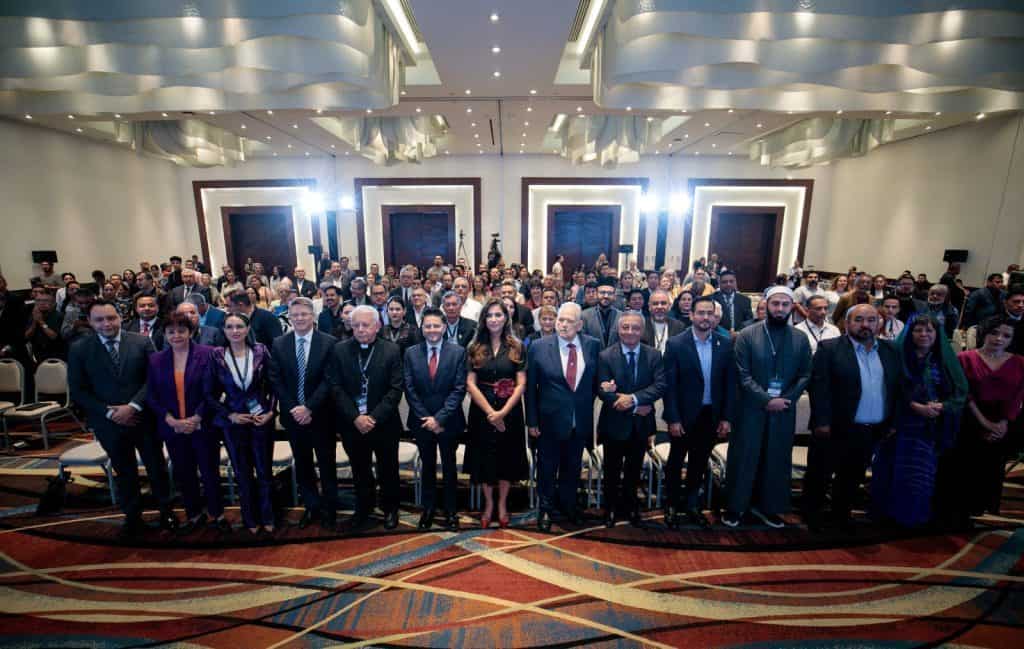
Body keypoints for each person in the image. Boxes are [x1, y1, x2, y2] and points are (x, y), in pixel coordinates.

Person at [67, 300, 174, 538]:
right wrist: (110, 412)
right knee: (124, 470)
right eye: (100, 320)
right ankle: (133, 516)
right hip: (108, 422)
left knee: (156, 468)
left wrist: (133, 406)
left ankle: (166, 512)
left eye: (111, 318)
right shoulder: (79, 348)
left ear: (120, 317)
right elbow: (78, 390)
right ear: (90, 322)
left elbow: (155, 378)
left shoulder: (141, 341)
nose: (107, 324)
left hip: (143, 418)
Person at [804, 305, 902, 533]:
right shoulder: (829, 348)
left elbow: (896, 389)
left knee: (852, 476)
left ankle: (841, 515)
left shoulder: (891, 350)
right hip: (833, 427)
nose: (865, 324)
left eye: (871, 319)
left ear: (879, 323)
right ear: (847, 324)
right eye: (859, 319)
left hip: (870, 428)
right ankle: (813, 517)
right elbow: (819, 388)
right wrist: (821, 421)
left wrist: (891, 423)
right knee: (820, 474)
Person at [724, 286, 812, 528]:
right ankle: (736, 507)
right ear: (765, 305)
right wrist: (766, 400)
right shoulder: (747, 335)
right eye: (775, 304)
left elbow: (805, 375)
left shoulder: (800, 338)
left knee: (776, 459)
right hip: (751, 409)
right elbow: (742, 374)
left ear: (791, 307)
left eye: (785, 304)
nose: (780, 309)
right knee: (744, 458)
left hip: (783, 410)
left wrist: (786, 399)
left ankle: (770, 508)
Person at [872, 314, 967, 528]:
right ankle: (884, 516)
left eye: (929, 331)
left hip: (929, 429)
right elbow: (887, 388)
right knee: (890, 471)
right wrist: (914, 405)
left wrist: (942, 406)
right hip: (898, 425)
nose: (924, 334)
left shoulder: (944, 359)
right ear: (910, 333)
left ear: (937, 334)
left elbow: (960, 393)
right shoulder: (898, 357)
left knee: (918, 475)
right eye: (918, 330)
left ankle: (910, 518)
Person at [940, 316, 1024, 528]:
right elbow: (963, 394)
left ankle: (979, 507)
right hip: (969, 420)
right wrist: (984, 422)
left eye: (1006, 336)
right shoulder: (965, 358)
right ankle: (957, 510)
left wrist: (1004, 422)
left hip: (1003, 422)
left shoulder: (1019, 362)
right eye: (994, 333)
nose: (999, 339)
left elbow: (1019, 395)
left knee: (991, 468)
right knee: (964, 467)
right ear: (985, 333)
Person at [145, 312, 226, 533]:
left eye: (182, 330)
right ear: (165, 334)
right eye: (171, 332)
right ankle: (194, 514)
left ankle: (216, 515)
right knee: (184, 472)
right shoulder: (156, 360)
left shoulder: (209, 354)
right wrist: (170, 419)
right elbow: (151, 395)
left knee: (210, 472)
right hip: (173, 427)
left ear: (191, 332)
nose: (176, 335)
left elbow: (215, 390)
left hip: (203, 424)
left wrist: (197, 417)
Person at [327, 305, 405, 530]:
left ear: (377, 326)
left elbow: (395, 389)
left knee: (388, 469)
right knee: (360, 469)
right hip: (352, 424)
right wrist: (355, 417)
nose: (360, 329)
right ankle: (364, 508)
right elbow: (335, 387)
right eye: (356, 325)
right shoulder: (340, 350)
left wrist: (373, 417)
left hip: (384, 424)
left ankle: (390, 509)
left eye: (366, 325)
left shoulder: (391, 350)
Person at [525, 302, 601, 531]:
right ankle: (545, 509)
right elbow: (530, 389)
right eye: (560, 319)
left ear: (579, 324)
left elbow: (596, 382)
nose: (563, 324)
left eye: (569, 321)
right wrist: (532, 421)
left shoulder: (592, 346)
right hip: (548, 421)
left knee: (572, 467)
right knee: (547, 467)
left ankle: (568, 507)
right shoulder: (538, 347)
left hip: (579, 420)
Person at [662, 296, 735, 528]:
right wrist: (672, 418)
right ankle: (671, 505)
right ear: (691, 315)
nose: (705, 317)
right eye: (700, 313)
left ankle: (693, 505)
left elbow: (729, 385)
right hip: (683, 417)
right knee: (676, 463)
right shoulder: (675, 344)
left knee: (699, 462)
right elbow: (669, 385)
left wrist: (726, 417)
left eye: (709, 313)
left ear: (715, 316)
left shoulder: (725, 344)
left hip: (710, 416)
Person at [268, 298, 338, 530]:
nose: (299, 318)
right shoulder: (279, 344)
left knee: (327, 464)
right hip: (293, 416)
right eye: (294, 314)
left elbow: (330, 380)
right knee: (303, 463)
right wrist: (293, 408)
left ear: (313, 316)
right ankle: (312, 506)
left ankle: (330, 508)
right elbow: (276, 380)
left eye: (304, 314)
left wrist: (309, 407)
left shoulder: (329, 343)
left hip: (321, 415)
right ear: (289, 317)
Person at [205, 312, 277, 535]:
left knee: (264, 472)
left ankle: (268, 516)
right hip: (233, 423)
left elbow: (274, 385)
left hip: (260, 420)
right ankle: (249, 518)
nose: (235, 331)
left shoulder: (261, 351)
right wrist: (230, 415)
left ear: (247, 329)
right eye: (229, 327)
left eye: (239, 326)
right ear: (223, 331)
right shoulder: (216, 355)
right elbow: (208, 394)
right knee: (242, 472)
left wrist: (271, 412)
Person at [596, 312, 665, 528]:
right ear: (619, 329)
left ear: (642, 331)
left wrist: (634, 399)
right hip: (614, 424)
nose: (630, 332)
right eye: (625, 327)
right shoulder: (605, 356)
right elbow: (601, 390)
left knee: (635, 471)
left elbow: (660, 385)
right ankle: (610, 508)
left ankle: (631, 506)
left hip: (641, 425)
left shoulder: (653, 355)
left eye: (635, 328)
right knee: (611, 471)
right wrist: (634, 405)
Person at [464, 299, 529, 529]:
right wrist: (492, 413)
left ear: (506, 318)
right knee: (484, 461)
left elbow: (521, 384)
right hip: (482, 412)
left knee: (505, 460)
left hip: (509, 410)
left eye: (498, 315)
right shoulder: (473, 347)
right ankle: (488, 504)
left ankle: (502, 504)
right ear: (484, 319)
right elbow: (471, 384)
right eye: (489, 315)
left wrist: (502, 412)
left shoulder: (517, 346)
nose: (494, 319)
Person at [405, 307, 468, 531]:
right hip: (422, 422)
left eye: (436, 326)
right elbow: (409, 389)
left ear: (444, 327)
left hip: (449, 422)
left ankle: (451, 510)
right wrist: (427, 419)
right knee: (428, 466)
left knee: (450, 467)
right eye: (428, 326)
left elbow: (459, 389)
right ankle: (428, 508)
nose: (432, 330)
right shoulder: (411, 353)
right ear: (422, 328)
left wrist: (439, 419)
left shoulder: (458, 352)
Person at [24, 289, 64, 362]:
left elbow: (53, 337)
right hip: (38, 353)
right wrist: (34, 322)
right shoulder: (32, 316)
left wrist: (41, 321)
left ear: (53, 303)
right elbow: (26, 336)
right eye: (38, 301)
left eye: (46, 301)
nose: (42, 303)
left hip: (56, 353)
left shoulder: (58, 316)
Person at [581, 278, 621, 348]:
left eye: (610, 293)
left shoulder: (621, 316)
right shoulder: (584, 316)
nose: (606, 296)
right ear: (596, 294)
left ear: (614, 296)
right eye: (602, 292)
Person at [712, 270, 753, 334]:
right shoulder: (711, 299)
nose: (728, 284)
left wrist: (738, 333)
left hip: (740, 336)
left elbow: (749, 321)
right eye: (724, 282)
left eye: (731, 281)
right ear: (719, 284)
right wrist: (725, 333)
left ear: (735, 282)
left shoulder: (745, 300)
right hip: (718, 335)